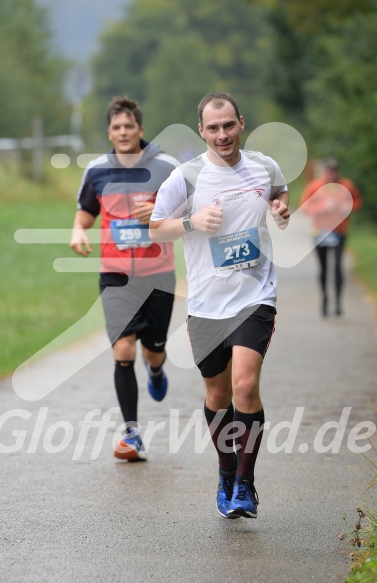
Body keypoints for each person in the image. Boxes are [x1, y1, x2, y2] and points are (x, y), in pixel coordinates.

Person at [149, 92, 290, 519]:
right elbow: (156, 229)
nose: (222, 134)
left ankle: (245, 485)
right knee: (218, 394)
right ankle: (226, 470)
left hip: (255, 296)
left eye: (228, 125)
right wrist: (192, 222)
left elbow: (280, 194)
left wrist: (282, 208)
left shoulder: (264, 166)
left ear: (241, 123)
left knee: (245, 387)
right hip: (207, 304)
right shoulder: (186, 177)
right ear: (201, 131)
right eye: (213, 128)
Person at [70, 95, 179, 461]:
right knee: (122, 350)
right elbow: (85, 211)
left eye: (129, 126)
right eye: (116, 127)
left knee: (152, 351)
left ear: (140, 129)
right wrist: (78, 231)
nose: (123, 132)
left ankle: (158, 369)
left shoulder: (166, 167)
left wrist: (159, 214)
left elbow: (186, 214)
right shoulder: (97, 171)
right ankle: (132, 434)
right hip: (115, 276)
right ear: (109, 132)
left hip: (158, 276)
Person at [299, 158, 362, 317]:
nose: (331, 174)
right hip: (320, 232)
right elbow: (305, 207)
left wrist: (348, 206)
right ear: (324, 172)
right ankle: (325, 299)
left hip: (339, 232)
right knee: (324, 268)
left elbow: (357, 201)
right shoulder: (315, 186)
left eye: (334, 171)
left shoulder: (347, 185)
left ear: (337, 172)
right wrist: (323, 207)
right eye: (328, 171)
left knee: (338, 268)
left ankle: (339, 302)